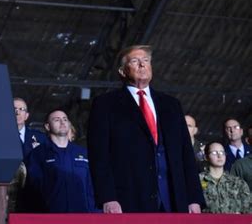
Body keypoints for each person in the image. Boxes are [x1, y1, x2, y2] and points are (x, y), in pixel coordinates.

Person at [88, 45, 205, 213]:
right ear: (122, 71)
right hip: (129, 197)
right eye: (135, 61)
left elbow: (186, 152)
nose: (142, 65)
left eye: (146, 60)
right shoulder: (105, 104)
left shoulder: (171, 105)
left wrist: (193, 198)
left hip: (173, 197)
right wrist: (107, 197)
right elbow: (99, 155)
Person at [24, 109, 100, 213]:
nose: (62, 122)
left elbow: (93, 186)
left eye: (65, 119)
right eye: (57, 119)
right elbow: (34, 189)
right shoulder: (38, 154)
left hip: (83, 215)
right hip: (52, 216)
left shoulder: (83, 153)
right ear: (47, 126)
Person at [199, 141, 250, 213]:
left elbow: (248, 210)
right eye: (214, 153)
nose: (219, 156)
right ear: (206, 157)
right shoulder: (198, 181)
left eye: (222, 152)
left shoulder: (238, 183)